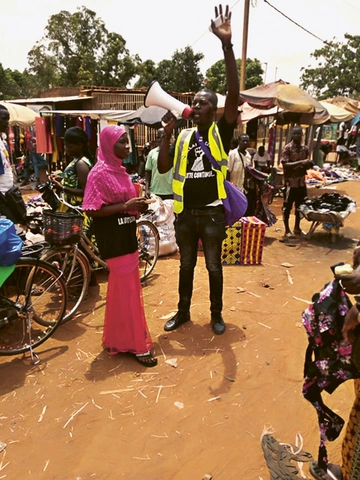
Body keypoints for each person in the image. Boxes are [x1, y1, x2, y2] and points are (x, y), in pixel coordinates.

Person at [157, 4, 239, 336]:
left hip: (212, 214)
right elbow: (164, 168)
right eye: (194, 99)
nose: (196, 103)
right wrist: (166, 135)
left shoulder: (221, 130)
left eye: (202, 101)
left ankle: (216, 315)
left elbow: (233, 92)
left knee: (214, 267)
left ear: (214, 109)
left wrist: (226, 45)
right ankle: (183, 312)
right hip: (186, 214)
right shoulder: (184, 135)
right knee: (186, 266)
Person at [82, 125, 157, 367]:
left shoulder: (121, 171)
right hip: (113, 239)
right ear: (108, 145)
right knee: (129, 293)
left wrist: (137, 204)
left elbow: (125, 203)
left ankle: (116, 339)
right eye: (122, 142)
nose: (128, 146)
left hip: (127, 235)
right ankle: (137, 345)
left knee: (122, 291)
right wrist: (126, 206)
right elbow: (92, 209)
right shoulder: (99, 173)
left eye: (128, 142)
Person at [50, 126, 93, 236]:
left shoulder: (81, 164)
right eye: (65, 146)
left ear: (80, 145)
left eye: (70, 146)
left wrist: (62, 187)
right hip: (71, 208)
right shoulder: (76, 160)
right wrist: (62, 177)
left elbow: (85, 191)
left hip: (78, 211)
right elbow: (74, 178)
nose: (66, 149)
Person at [280, 125, 313, 243]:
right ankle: (287, 230)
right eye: (294, 134)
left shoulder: (305, 149)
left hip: (301, 183)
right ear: (292, 135)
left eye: (299, 134)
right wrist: (301, 162)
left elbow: (306, 165)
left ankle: (297, 227)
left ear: (302, 135)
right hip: (290, 183)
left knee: (300, 206)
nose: (297, 136)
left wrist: (308, 164)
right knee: (287, 207)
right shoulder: (287, 148)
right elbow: (285, 165)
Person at [145, 128, 173, 200]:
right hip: (155, 192)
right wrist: (147, 189)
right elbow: (148, 171)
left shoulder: (173, 152)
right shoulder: (152, 153)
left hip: (171, 192)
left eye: (166, 136)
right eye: (161, 136)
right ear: (157, 139)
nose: (163, 139)